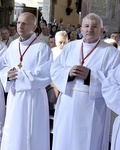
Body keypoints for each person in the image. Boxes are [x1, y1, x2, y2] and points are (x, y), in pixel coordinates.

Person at [50, 13, 120, 150]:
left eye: (94, 26)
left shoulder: (112, 53)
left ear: (101, 30)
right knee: (64, 140)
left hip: (94, 107)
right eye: (86, 26)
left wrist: (91, 76)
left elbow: (117, 82)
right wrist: (68, 73)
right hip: (68, 102)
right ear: (81, 29)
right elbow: (54, 69)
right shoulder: (69, 47)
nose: (90, 29)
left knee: (88, 142)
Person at [0, 12, 52, 150]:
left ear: (34, 27)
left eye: (24, 23)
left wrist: (20, 76)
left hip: (34, 98)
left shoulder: (42, 48)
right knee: (14, 131)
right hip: (14, 96)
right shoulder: (12, 45)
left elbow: (45, 75)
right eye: (18, 22)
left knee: (31, 133)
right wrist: (7, 75)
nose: (20, 26)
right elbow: (4, 65)